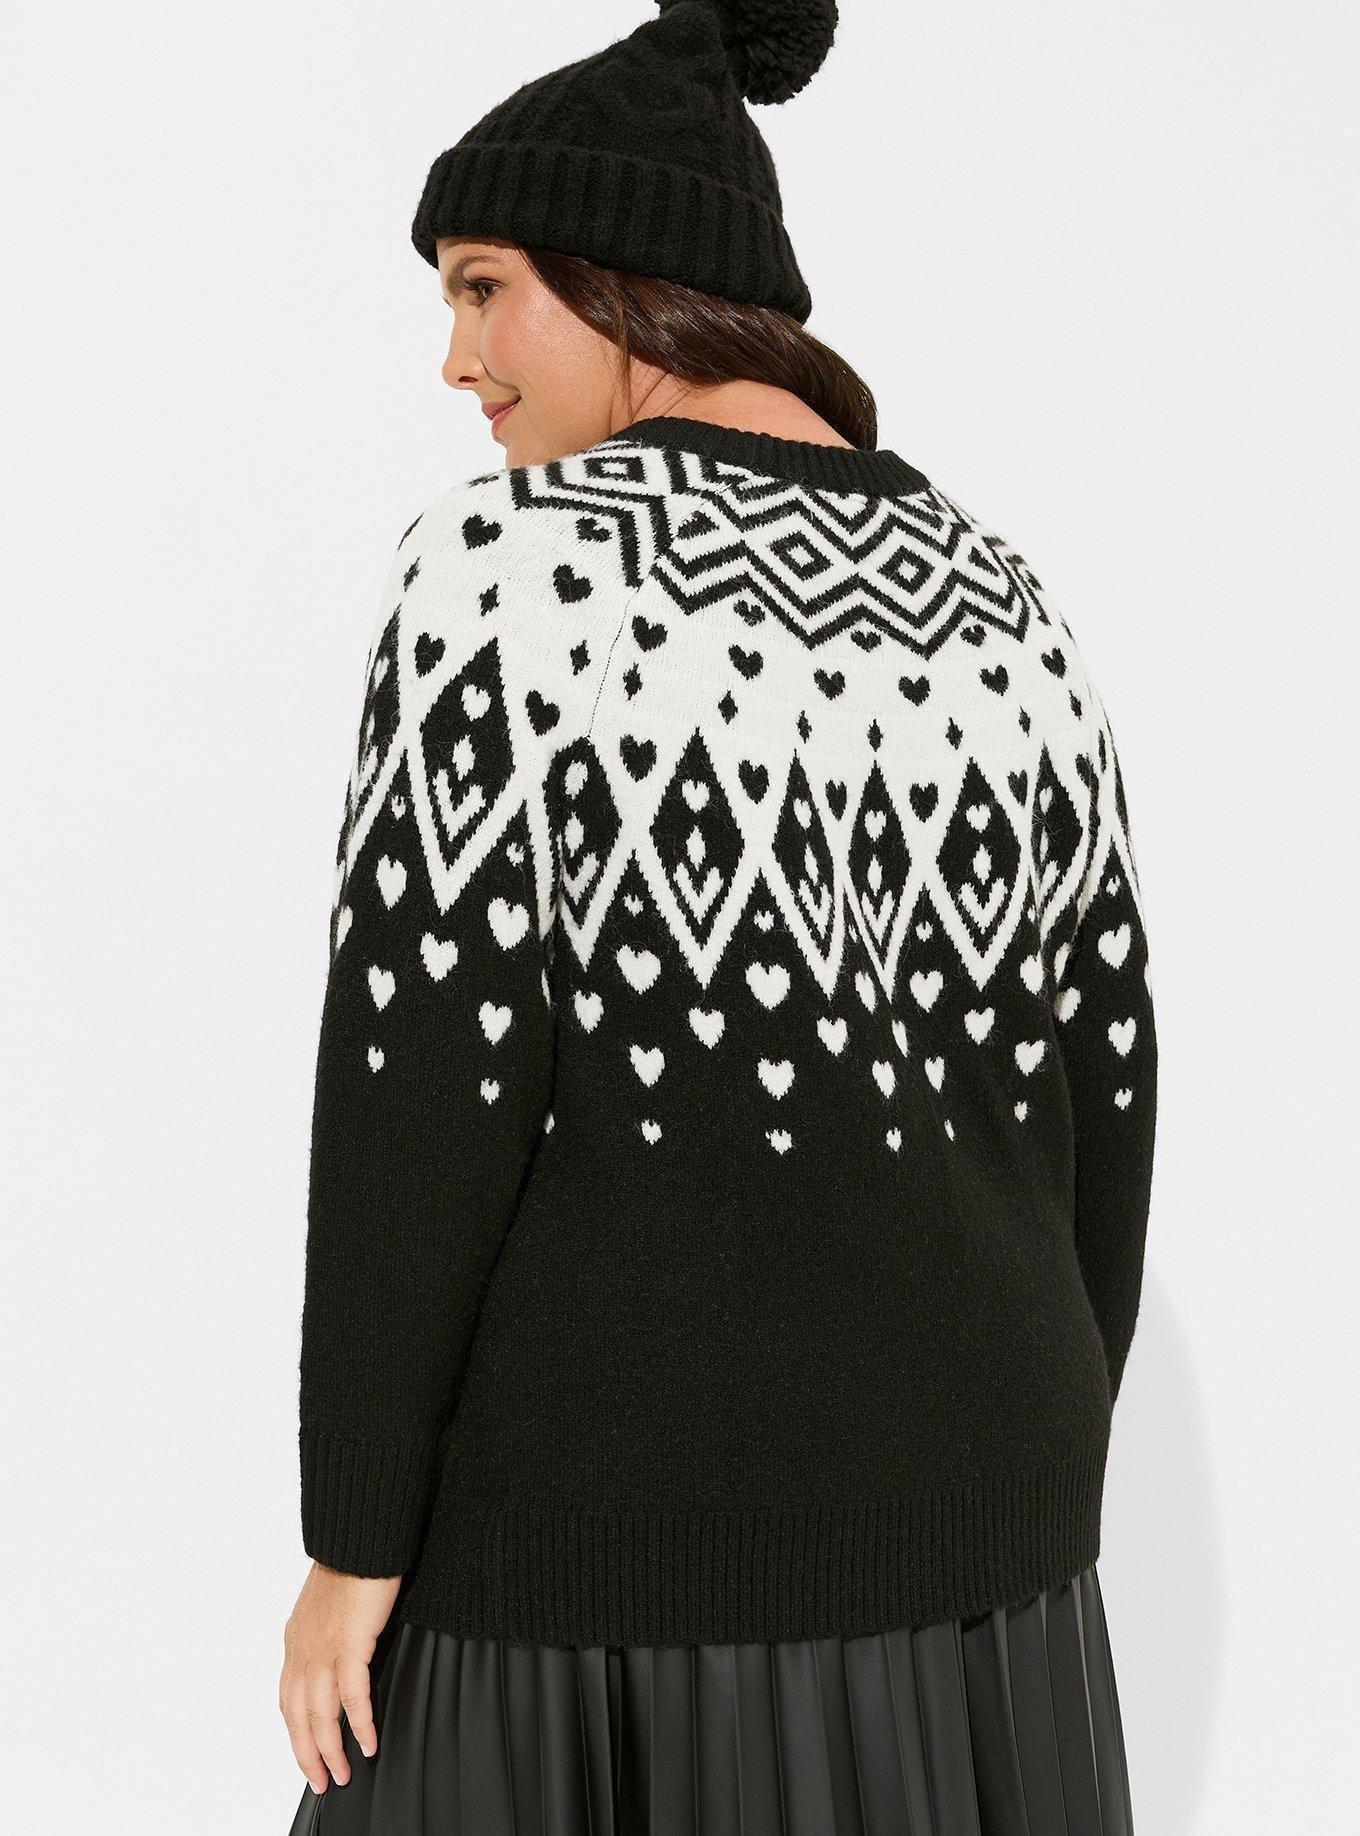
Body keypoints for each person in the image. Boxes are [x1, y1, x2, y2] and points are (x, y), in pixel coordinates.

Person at [280, 2, 1157, 1830]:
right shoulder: (1003, 594)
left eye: (483, 288)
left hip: (614, 1564)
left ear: (627, 279)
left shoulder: (505, 576)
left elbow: (420, 1096)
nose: (454, 359)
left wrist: (352, 1541)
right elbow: (1106, 1077)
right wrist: (1031, 1460)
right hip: (992, 1576)